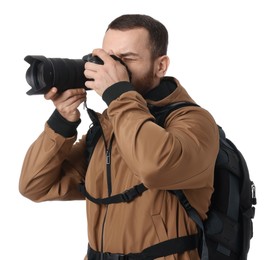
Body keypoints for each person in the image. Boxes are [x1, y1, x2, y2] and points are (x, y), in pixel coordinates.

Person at [19, 14, 219, 260]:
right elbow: (35, 186)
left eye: (126, 59)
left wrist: (117, 94)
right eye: (108, 57)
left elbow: (154, 167)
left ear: (161, 65)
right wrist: (63, 121)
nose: (111, 68)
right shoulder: (109, 127)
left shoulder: (194, 121)